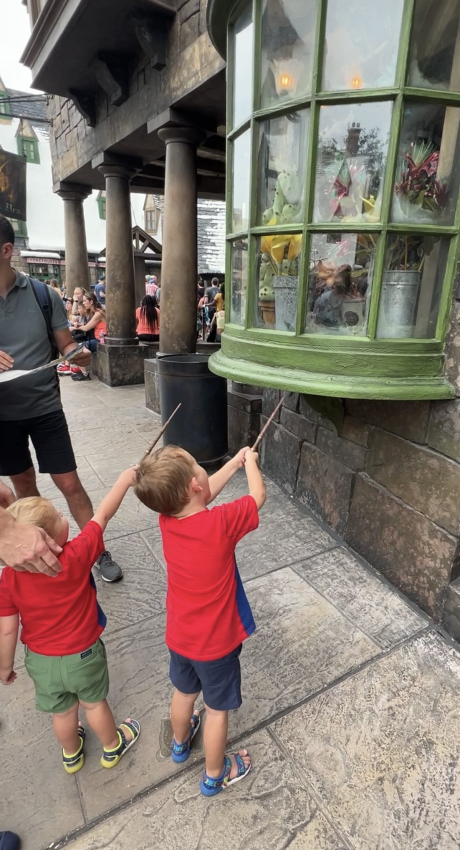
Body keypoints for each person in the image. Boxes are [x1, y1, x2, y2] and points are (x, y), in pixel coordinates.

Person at [133, 444, 266, 796]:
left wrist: (233, 464)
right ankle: (214, 774)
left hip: (180, 636)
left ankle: (179, 744)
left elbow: (199, 495)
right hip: (216, 645)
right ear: (194, 484)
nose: (201, 467)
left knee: (183, 692)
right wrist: (251, 463)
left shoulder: (167, 519)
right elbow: (257, 496)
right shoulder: (220, 523)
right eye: (197, 464)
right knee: (215, 711)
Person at [0, 215, 123, 583]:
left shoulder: (43, 294)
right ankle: (41, 545)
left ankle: (96, 550)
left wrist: (77, 354)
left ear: (6, 251)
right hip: (2, 415)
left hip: (45, 408)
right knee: (22, 484)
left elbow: (65, 344)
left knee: (69, 483)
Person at [0, 468, 141, 775]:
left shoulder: (9, 577)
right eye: (59, 516)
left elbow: (8, 627)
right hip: (84, 655)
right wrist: (123, 480)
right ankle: (111, 745)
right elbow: (101, 515)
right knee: (93, 704)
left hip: (41, 662)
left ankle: (72, 755)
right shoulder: (77, 556)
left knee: (63, 713)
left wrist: (5, 666)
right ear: (46, 541)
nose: (64, 515)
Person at [70, 292, 106, 382]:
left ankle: (84, 374)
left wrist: (74, 327)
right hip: (98, 338)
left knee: (78, 347)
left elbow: (86, 328)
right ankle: (82, 371)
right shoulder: (94, 313)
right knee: (76, 346)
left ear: (91, 302)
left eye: (85, 301)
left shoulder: (99, 313)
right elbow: (75, 314)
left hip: (101, 340)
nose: (84, 303)